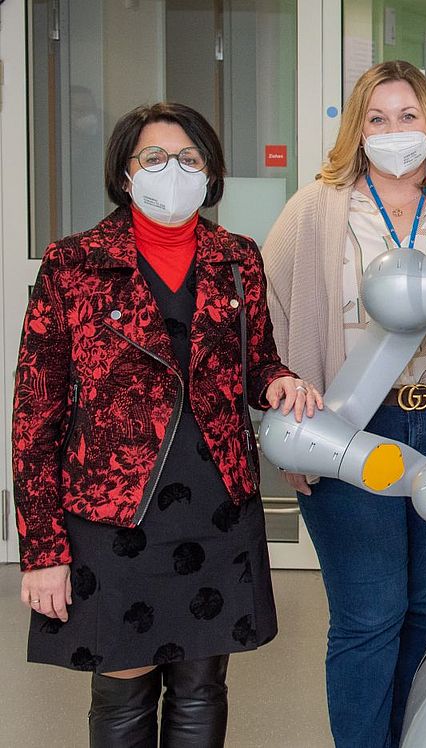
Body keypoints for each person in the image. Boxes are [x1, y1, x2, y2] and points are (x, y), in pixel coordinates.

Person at [13, 101, 320, 746]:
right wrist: (42, 550)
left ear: (211, 174)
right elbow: (36, 414)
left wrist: (278, 380)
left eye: (188, 158)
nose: (171, 172)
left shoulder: (237, 258)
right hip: (114, 512)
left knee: (201, 686)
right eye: (153, 159)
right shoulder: (74, 264)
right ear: (125, 175)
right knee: (122, 684)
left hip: (215, 504)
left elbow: (253, 359)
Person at [262, 60, 426, 748]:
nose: (394, 131)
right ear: (356, 129)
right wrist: (291, 430)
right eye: (377, 118)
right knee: (369, 613)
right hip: (347, 429)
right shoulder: (314, 209)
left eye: (407, 116)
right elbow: (269, 326)